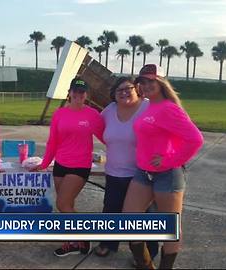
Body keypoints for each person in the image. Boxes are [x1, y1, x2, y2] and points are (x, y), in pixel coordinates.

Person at [123, 64, 204, 269]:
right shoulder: (149, 105)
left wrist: (169, 160)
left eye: (151, 80)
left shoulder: (169, 108)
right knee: (130, 219)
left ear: (161, 82)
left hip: (167, 175)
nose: (146, 85)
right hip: (143, 172)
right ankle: (145, 264)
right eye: (142, 81)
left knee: (169, 228)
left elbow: (195, 139)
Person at [32, 77, 104, 257]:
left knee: (62, 203)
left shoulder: (92, 115)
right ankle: (73, 242)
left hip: (79, 166)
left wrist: (125, 153)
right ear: (69, 93)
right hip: (61, 165)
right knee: (68, 205)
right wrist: (44, 163)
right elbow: (53, 142)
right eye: (75, 91)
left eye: (82, 92)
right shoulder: (59, 114)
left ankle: (84, 236)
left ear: (86, 95)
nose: (78, 95)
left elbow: (108, 138)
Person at [94, 77, 159, 260]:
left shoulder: (149, 107)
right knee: (111, 209)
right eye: (118, 90)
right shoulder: (109, 110)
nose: (123, 92)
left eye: (127, 88)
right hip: (114, 172)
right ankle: (108, 243)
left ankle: (149, 250)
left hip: (142, 174)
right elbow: (100, 130)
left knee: (145, 215)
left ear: (137, 89)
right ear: (114, 95)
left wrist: (165, 155)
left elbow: (166, 131)